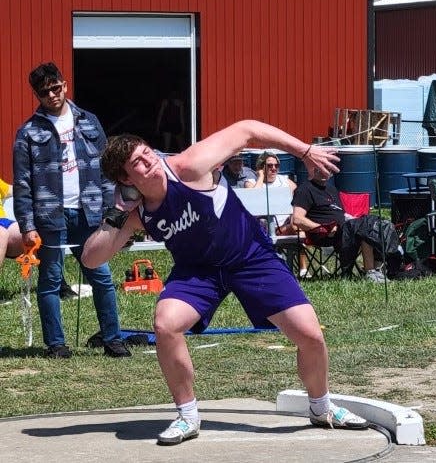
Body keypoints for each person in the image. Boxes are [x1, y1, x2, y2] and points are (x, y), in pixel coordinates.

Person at [81, 122, 369, 445]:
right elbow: (91, 258)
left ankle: (322, 407)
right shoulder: (137, 213)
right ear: (126, 180)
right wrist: (117, 213)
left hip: (248, 255)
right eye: (138, 163)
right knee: (165, 324)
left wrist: (304, 151)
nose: (151, 161)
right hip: (198, 271)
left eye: (147, 152)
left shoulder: (189, 166)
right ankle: (188, 415)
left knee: (310, 334)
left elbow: (246, 130)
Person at [12, 62, 130, 359]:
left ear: (64, 85)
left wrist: (110, 212)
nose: (52, 95)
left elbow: (106, 171)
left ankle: (112, 339)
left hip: (89, 212)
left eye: (55, 87)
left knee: (101, 276)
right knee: (50, 281)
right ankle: (56, 345)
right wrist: (27, 225)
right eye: (44, 92)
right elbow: (22, 182)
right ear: (37, 95)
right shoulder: (28, 132)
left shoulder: (89, 121)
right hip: (50, 215)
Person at [291, 168, 399, 282]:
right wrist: (321, 228)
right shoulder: (305, 189)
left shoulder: (331, 189)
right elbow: (297, 219)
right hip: (325, 234)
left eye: (327, 169)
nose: (324, 172)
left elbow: (341, 214)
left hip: (345, 230)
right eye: (320, 169)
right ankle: (370, 272)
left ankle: (378, 269)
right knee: (365, 228)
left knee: (379, 224)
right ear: (312, 170)